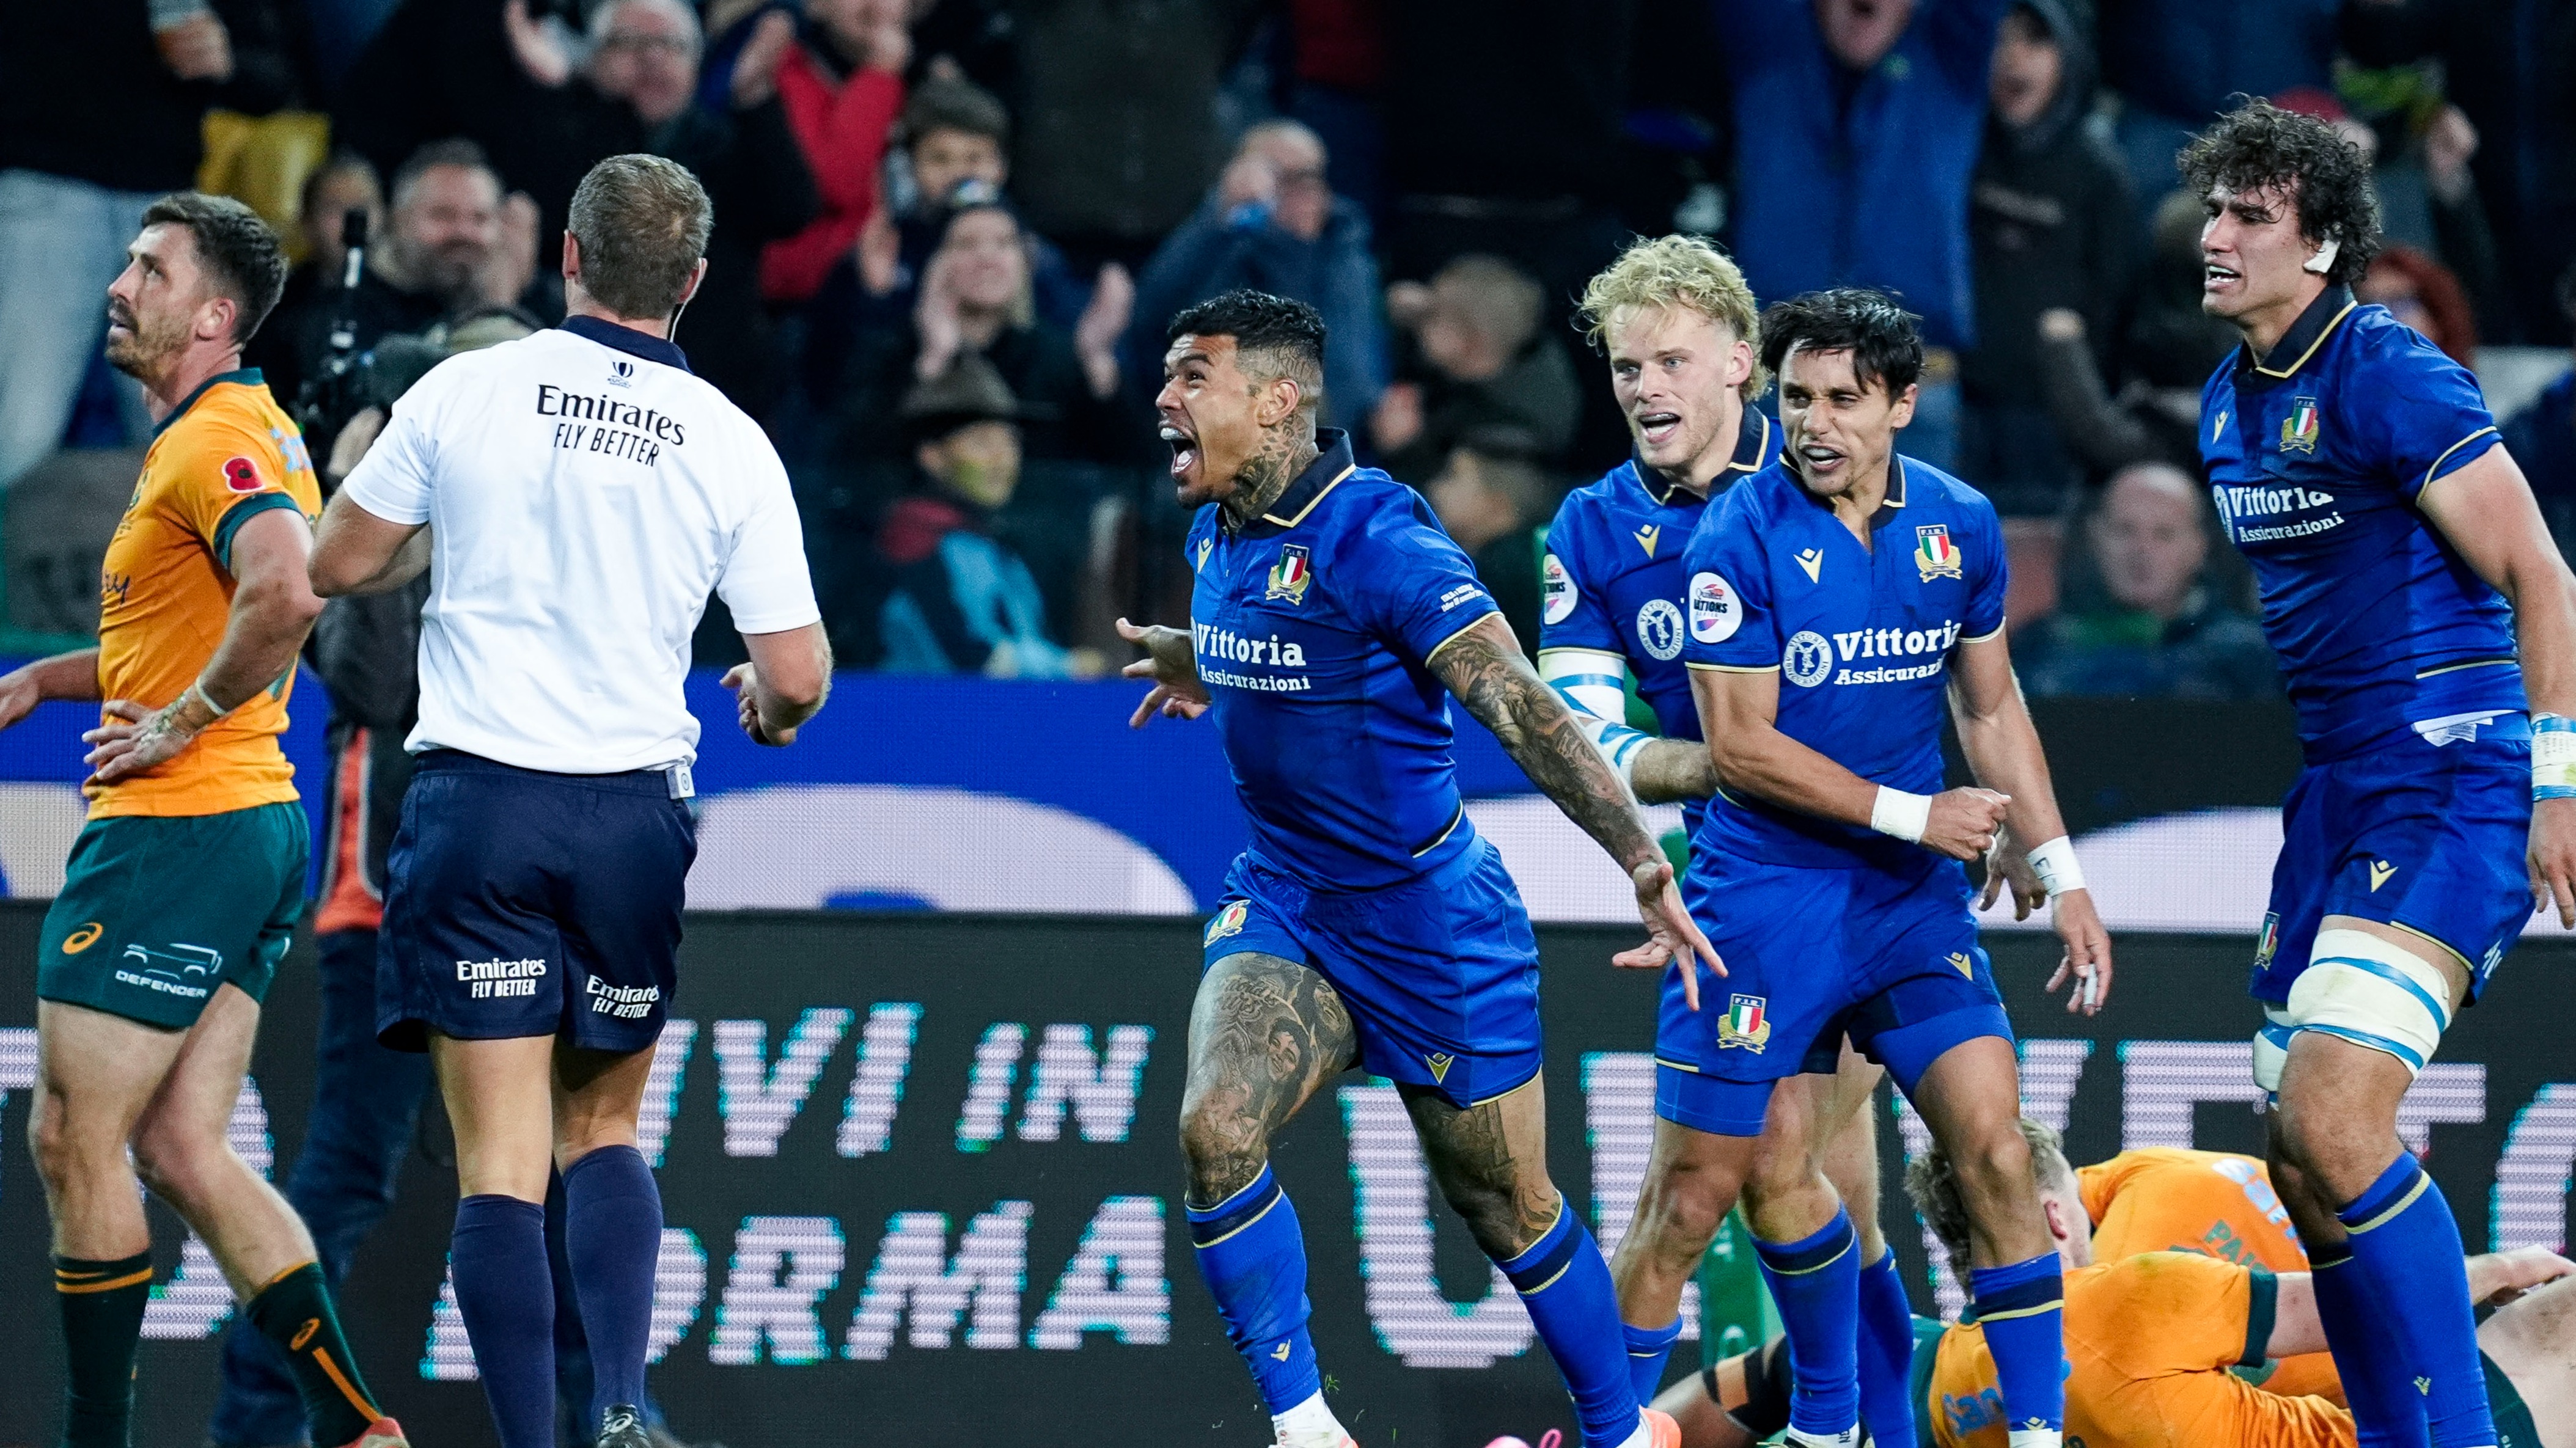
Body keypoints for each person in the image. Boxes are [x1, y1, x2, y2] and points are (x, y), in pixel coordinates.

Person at [1119, 288, 1719, 1448]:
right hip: (1289, 902)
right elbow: (1302, 651)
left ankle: (1625, 1432)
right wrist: (1207, 660)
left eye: (1193, 375)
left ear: (1278, 399)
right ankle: (1306, 1429)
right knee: (1213, 1131)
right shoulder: (1217, 533)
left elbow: (1519, 705)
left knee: (1508, 1208)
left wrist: (1640, 858)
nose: (1164, 399)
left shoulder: (1379, 536)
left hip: (1431, 922)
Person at [306, 153, 831, 1448]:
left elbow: (336, 563)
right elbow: (799, 675)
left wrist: (429, 501)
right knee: (603, 1127)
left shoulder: (467, 388)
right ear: (695, 283)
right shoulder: (731, 441)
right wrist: (766, 716)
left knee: (496, 1162)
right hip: (630, 821)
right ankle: (621, 1406)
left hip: (480, 806)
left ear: (570, 260)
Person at [2187, 97, 2576, 1448]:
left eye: (2249, 216)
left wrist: (2557, 786)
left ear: (2324, 243)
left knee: (2334, 1118)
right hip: (2337, 794)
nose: (2214, 236)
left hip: (2450, 774)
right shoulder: (2227, 402)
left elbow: (2542, 573)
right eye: (2212, 210)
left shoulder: (2386, 370)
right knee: (2300, 1166)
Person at [1, 192, 405, 1448]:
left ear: (212, 316)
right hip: (249, 826)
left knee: (75, 1135)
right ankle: (353, 1430)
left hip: (181, 825)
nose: (121, 284)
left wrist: (174, 723)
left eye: (148, 268)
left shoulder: (213, 440)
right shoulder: (231, 431)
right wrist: (48, 679)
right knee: (183, 1145)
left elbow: (284, 595)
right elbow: (205, 619)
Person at [1676, 287, 2113, 1448]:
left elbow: (1992, 705)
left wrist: (2057, 864)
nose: (1814, 424)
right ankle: (1834, 1419)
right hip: (1771, 893)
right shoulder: (1737, 534)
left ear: (1903, 406)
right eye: (1795, 398)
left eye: (1843, 401)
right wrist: (1919, 816)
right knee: (1774, 1175)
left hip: (1908, 907)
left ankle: (2036, 1435)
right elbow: (1740, 748)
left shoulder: (1961, 524)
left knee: (1998, 1149)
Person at [1537, 236, 1920, 1445]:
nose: (1644, 389)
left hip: (1869, 886)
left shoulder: (1849, 478)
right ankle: (1839, 1427)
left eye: (1669, 362)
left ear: (1741, 365)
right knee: (1810, 1189)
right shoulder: (1591, 533)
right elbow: (1591, 740)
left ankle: (1778, 1427)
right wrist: (1729, 779)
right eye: (1623, 369)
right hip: (1737, 890)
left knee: (1744, 1168)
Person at [1657, 1126, 2576, 1448]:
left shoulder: (1932, 1375)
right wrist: (2500, 1269)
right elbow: (2351, 1307)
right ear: (2059, 1221)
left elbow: (1735, 1386)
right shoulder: (2128, 1294)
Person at [1712, 0, 2015, 474]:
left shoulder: (1948, 56)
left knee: (1908, 548)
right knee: (1777, 548)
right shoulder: (1772, 49)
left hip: (1914, 386)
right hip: (1780, 384)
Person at [0, 0, 290, 490]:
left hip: (163, 192)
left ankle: (178, 568)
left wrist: (226, 60)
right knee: (19, 428)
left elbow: (276, 77)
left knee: (181, 430)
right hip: (44, 179)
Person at [499, 0, 823, 416]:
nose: (652, 58)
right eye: (629, 43)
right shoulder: (565, 133)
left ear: (696, 64)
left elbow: (792, 210)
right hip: (578, 391)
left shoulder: (725, 146)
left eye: (669, 45)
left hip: (712, 391)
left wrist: (757, 99)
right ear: (592, 59)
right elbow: (545, 219)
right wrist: (560, 96)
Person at [1960, 0, 2135, 516]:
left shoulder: (2099, 172)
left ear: (2069, 55)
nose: (2012, 57)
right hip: (1960, 399)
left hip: (2052, 417)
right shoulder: (1959, 148)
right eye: (1999, 37)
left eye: (2034, 40)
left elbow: (2116, 297)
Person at [1131, 119, 1389, 433]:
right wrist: (1217, 219)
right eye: (1279, 176)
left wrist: (1295, 248)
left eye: (1307, 178)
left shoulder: (1343, 245)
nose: (1296, 193)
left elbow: (1344, 366)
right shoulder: (1221, 236)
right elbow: (1152, 316)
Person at [255, 139, 537, 414]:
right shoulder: (342, 311)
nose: (463, 233)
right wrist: (498, 309)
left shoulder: (543, 302)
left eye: (480, 218)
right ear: (399, 220)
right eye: (443, 215)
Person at [875, 356, 1101, 677]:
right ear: (932, 457)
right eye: (982, 443)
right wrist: (1067, 667)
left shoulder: (997, 547)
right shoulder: (915, 543)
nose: (1002, 459)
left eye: (1010, 442)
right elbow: (972, 658)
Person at [2016, 463, 2278, 701]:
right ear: (2096, 537)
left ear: (2199, 547)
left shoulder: (2249, 655)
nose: (2141, 551)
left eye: (2164, 535)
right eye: (2124, 531)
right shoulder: (2039, 646)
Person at [1371, 254, 1581, 481]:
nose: (1423, 310)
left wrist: (1403, 449)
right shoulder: (1507, 341)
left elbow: (1448, 498)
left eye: (1434, 314)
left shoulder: (1509, 433)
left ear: (1472, 342)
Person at [758, 0, 908, 307]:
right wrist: (879, 75)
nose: (875, 7)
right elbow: (834, 183)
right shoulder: (783, 71)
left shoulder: (926, 78)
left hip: (886, 292)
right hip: (800, 302)